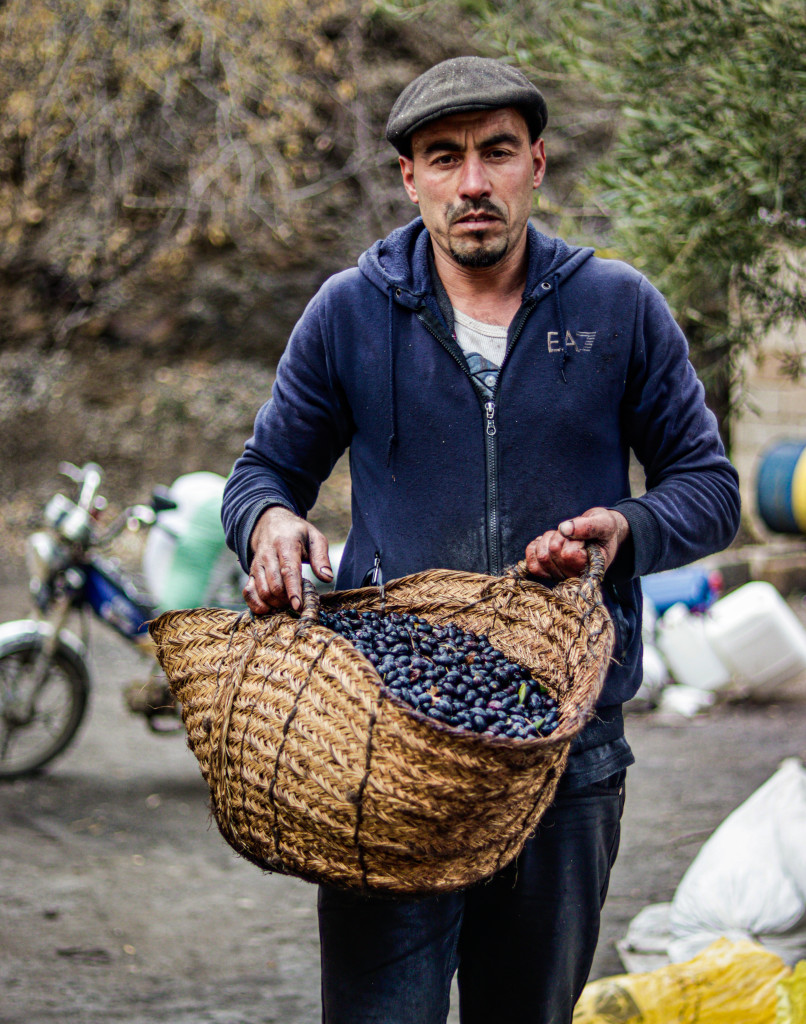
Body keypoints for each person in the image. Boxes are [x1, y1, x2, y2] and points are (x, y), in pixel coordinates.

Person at [221, 56, 741, 1024]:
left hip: (566, 748)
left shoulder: (617, 307)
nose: (472, 182)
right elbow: (263, 474)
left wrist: (623, 531)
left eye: (496, 152)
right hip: (389, 747)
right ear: (408, 177)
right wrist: (271, 523)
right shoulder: (349, 312)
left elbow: (709, 490)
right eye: (443, 157)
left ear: (536, 163)